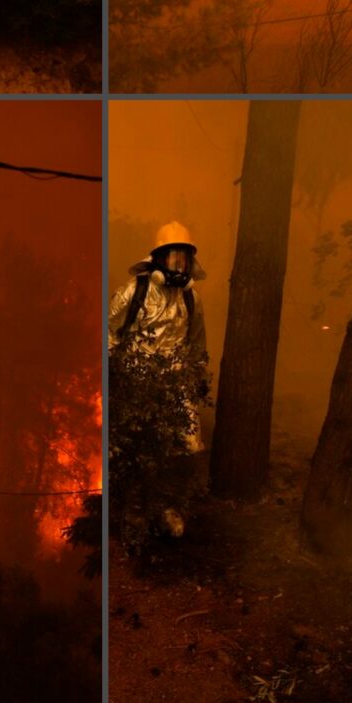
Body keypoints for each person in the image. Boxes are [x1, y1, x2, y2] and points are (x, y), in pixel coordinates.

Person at [108, 223, 211, 538]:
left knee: (186, 448)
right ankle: (133, 512)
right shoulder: (134, 291)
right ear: (158, 259)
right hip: (138, 384)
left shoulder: (192, 299)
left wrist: (198, 376)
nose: (178, 265)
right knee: (139, 448)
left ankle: (169, 507)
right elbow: (110, 333)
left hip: (177, 386)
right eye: (173, 257)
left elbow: (197, 344)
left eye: (183, 258)